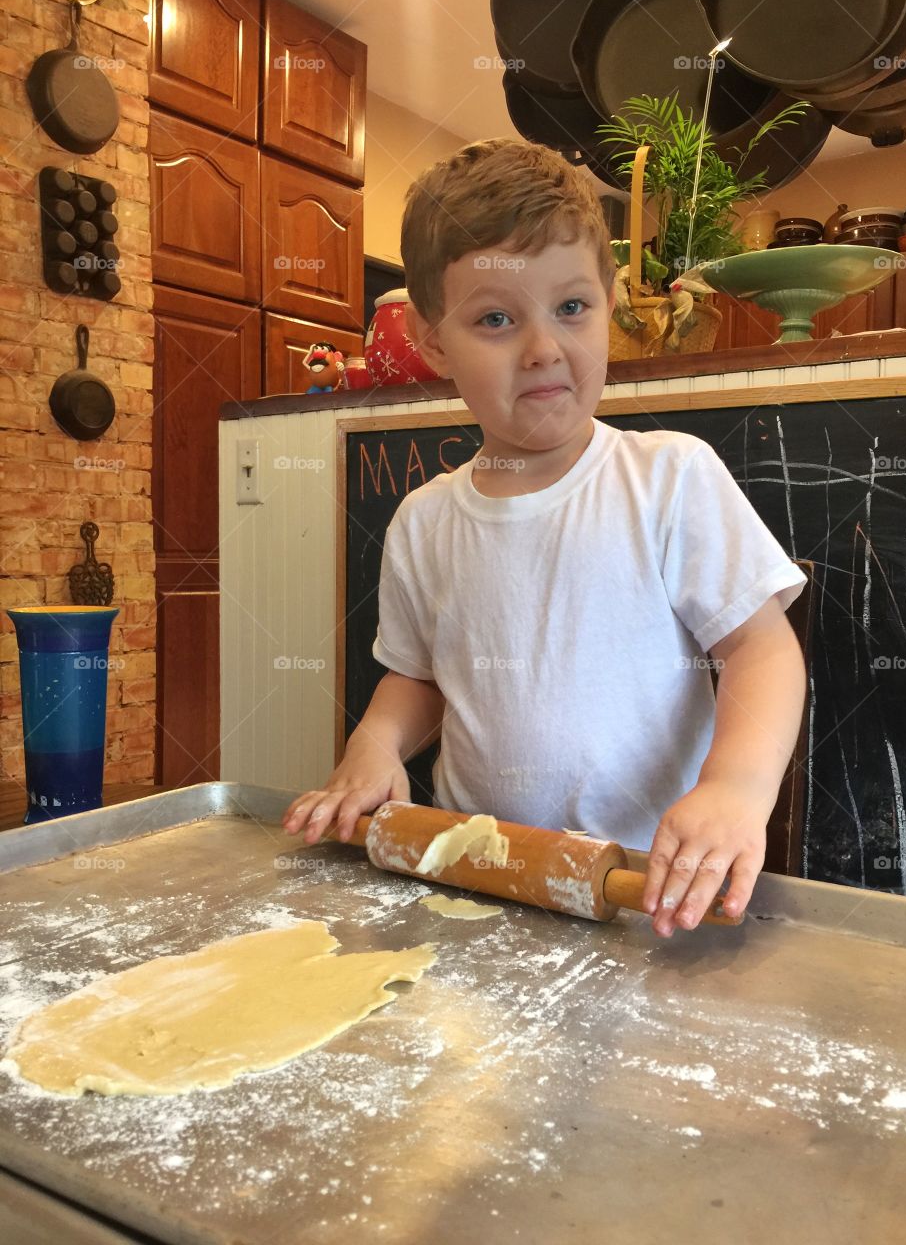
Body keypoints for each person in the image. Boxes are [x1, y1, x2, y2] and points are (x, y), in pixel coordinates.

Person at [282, 139, 807, 937]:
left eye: (571, 307)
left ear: (608, 303)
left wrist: (737, 787)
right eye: (496, 318)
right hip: (476, 881)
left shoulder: (669, 480)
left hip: (644, 889)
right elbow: (419, 677)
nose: (543, 349)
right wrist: (375, 744)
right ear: (433, 344)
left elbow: (762, 651)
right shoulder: (424, 523)